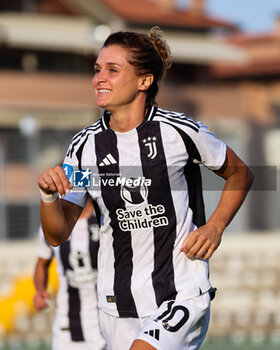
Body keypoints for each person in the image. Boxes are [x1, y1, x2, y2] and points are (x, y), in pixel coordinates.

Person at [37, 27, 254, 350]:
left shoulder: (179, 132)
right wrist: (48, 195)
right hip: (116, 301)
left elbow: (240, 173)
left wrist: (215, 227)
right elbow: (57, 234)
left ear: (144, 81)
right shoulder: (84, 147)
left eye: (112, 70)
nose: (99, 79)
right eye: (97, 70)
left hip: (180, 291)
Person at [33, 198, 106, 350]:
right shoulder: (53, 225)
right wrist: (40, 291)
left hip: (102, 325)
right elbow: (41, 264)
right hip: (66, 328)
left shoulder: (105, 219)